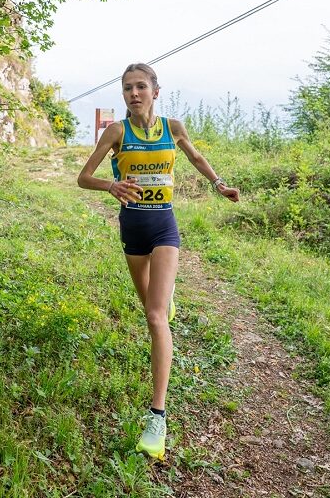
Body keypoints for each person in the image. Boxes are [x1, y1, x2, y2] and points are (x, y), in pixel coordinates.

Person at [76, 62, 240, 460]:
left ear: (155, 90)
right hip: (133, 231)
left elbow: (197, 157)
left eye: (140, 87)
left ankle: (157, 416)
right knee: (150, 309)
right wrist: (110, 184)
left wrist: (219, 184)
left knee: (155, 317)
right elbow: (83, 177)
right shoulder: (116, 132)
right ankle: (163, 306)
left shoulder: (174, 127)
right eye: (128, 89)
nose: (134, 94)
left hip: (164, 227)